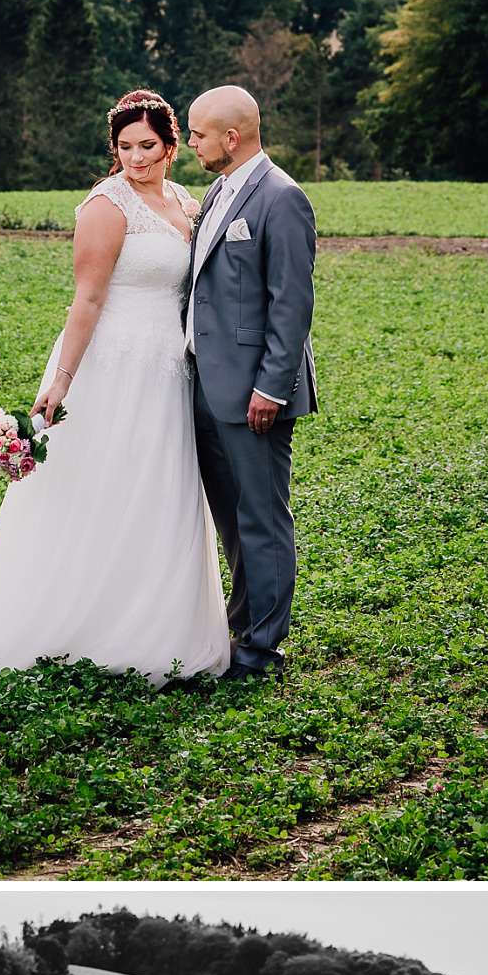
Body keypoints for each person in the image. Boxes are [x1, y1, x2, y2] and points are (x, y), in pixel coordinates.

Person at [0, 91, 229, 683]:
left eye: (147, 146)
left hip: (171, 370)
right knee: (99, 489)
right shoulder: (106, 205)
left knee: (159, 491)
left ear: (172, 145)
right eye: (124, 148)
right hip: (112, 366)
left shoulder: (188, 204)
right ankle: (73, 625)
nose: (136, 159)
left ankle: (156, 629)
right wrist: (60, 382)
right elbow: (88, 298)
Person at [184, 86, 318, 682]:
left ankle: (263, 647)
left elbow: (290, 305)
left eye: (197, 134)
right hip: (207, 387)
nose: (189, 143)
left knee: (262, 517)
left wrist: (272, 387)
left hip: (255, 394)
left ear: (230, 138)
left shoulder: (282, 198)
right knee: (231, 519)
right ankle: (241, 628)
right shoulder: (218, 191)